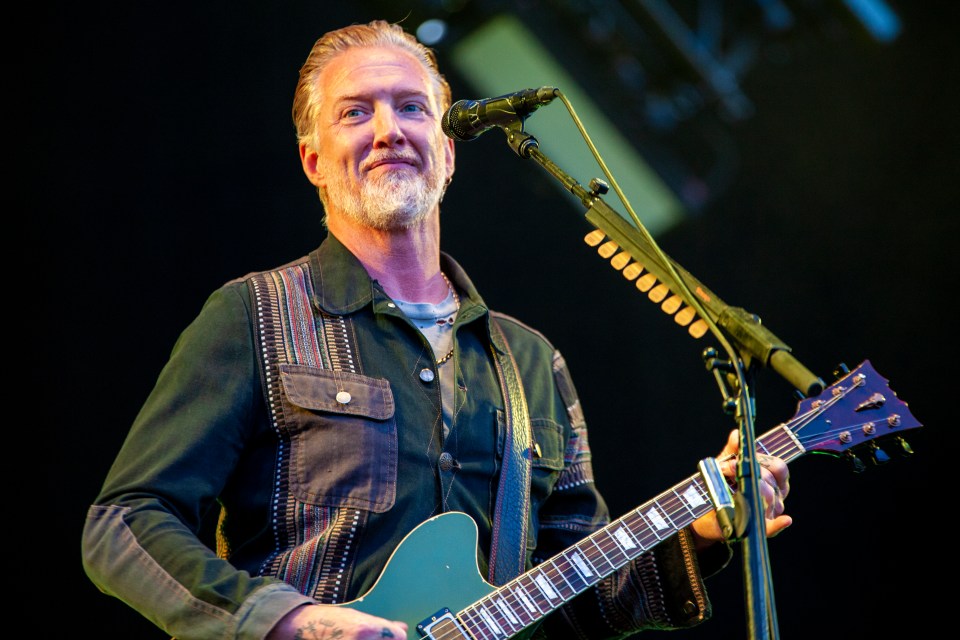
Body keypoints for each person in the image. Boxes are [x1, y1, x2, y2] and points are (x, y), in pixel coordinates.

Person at [81, 19, 792, 640]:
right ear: (314, 162)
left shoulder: (531, 363)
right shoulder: (255, 315)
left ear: (448, 153)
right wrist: (286, 621)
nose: (389, 128)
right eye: (355, 113)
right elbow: (124, 523)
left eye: (412, 108)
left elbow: (580, 602)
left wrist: (700, 531)